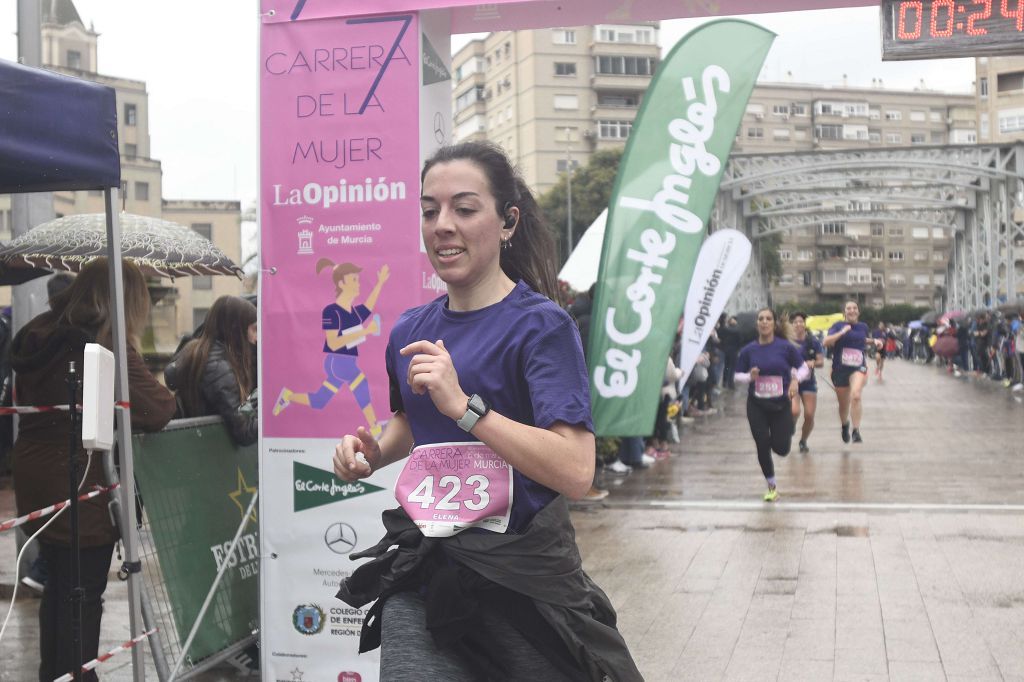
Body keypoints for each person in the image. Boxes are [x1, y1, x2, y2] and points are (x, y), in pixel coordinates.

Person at [332, 141, 640, 681]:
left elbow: (575, 469)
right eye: (430, 211)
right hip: (427, 568)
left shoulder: (541, 326)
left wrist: (467, 410)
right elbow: (413, 422)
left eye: (465, 209)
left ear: (507, 222)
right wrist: (374, 452)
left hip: (522, 579)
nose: (443, 225)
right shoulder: (409, 329)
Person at [10, 258, 176, 682]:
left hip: (35, 475)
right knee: (84, 594)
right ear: (125, 300)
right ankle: (77, 674)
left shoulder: (38, 331)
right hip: (81, 480)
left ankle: (58, 673)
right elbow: (157, 409)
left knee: (61, 588)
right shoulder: (105, 343)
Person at [272, 258, 390, 438]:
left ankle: (288, 396)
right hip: (338, 361)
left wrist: (380, 283)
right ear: (342, 283)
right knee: (362, 385)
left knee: (320, 400)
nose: (358, 284)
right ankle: (374, 428)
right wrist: (366, 331)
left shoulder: (352, 311)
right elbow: (334, 343)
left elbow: (368, 306)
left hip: (345, 361)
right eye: (354, 280)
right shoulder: (331, 311)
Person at [733, 307, 808, 502]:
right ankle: (771, 485)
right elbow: (736, 376)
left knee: (781, 449)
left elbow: (804, 368)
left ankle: (789, 427)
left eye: (768, 319)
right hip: (756, 404)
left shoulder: (785, 347)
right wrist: (750, 376)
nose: (764, 322)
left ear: (774, 324)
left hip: (780, 405)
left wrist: (795, 380)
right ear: (757, 324)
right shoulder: (749, 350)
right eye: (761, 319)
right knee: (761, 443)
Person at [165, 295, 258, 446]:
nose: (256, 338)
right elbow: (244, 432)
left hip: (194, 445)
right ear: (236, 329)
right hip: (207, 449)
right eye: (254, 329)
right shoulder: (220, 369)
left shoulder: (194, 349)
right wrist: (273, 413)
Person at [823, 300, 881, 444]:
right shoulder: (837, 326)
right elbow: (826, 341)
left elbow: (861, 340)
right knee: (843, 404)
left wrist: (874, 341)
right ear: (844, 312)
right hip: (840, 369)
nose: (852, 310)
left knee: (855, 395)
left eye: (855, 308)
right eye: (848, 308)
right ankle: (845, 425)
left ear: (858, 312)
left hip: (858, 367)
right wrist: (842, 332)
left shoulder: (863, 326)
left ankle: (856, 431)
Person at [789, 311, 824, 454]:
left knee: (809, 414)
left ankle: (803, 440)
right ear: (791, 325)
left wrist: (813, 362)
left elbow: (821, 361)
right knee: (794, 410)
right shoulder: (786, 341)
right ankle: (790, 427)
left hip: (808, 382)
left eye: (801, 321)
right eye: (795, 322)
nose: (798, 324)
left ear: (805, 324)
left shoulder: (812, 341)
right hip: (792, 381)